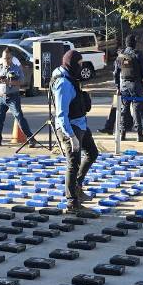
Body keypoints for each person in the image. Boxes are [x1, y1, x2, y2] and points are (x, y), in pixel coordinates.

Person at [52, 49, 98, 216]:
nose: (81, 66)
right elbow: (61, 114)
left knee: (92, 153)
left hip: (80, 123)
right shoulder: (63, 84)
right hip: (70, 127)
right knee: (73, 164)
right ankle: (72, 202)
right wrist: (71, 137)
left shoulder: (70, 76)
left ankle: (77, 186)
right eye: (79, 64)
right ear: (71, 64)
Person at [114, 35, 143, 143]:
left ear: (126, 43)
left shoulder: (120, 55)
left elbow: (116, 73)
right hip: (136, 85)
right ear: (134, 43)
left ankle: (123, 133)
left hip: (124, 85)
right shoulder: (137, 54)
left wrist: (118, 86)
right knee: (136, 109)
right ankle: (139, 134)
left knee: (124, 109)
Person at [0, 47, 33, 146]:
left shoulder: (16, 68)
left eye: (8, 58)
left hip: (13, 96)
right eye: (4, 58)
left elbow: (22, 81)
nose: (6, 60)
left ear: (12, 58)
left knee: (19, 117)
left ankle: (31, 138)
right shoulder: (0, 68)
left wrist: (9, 82)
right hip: (2, 97)